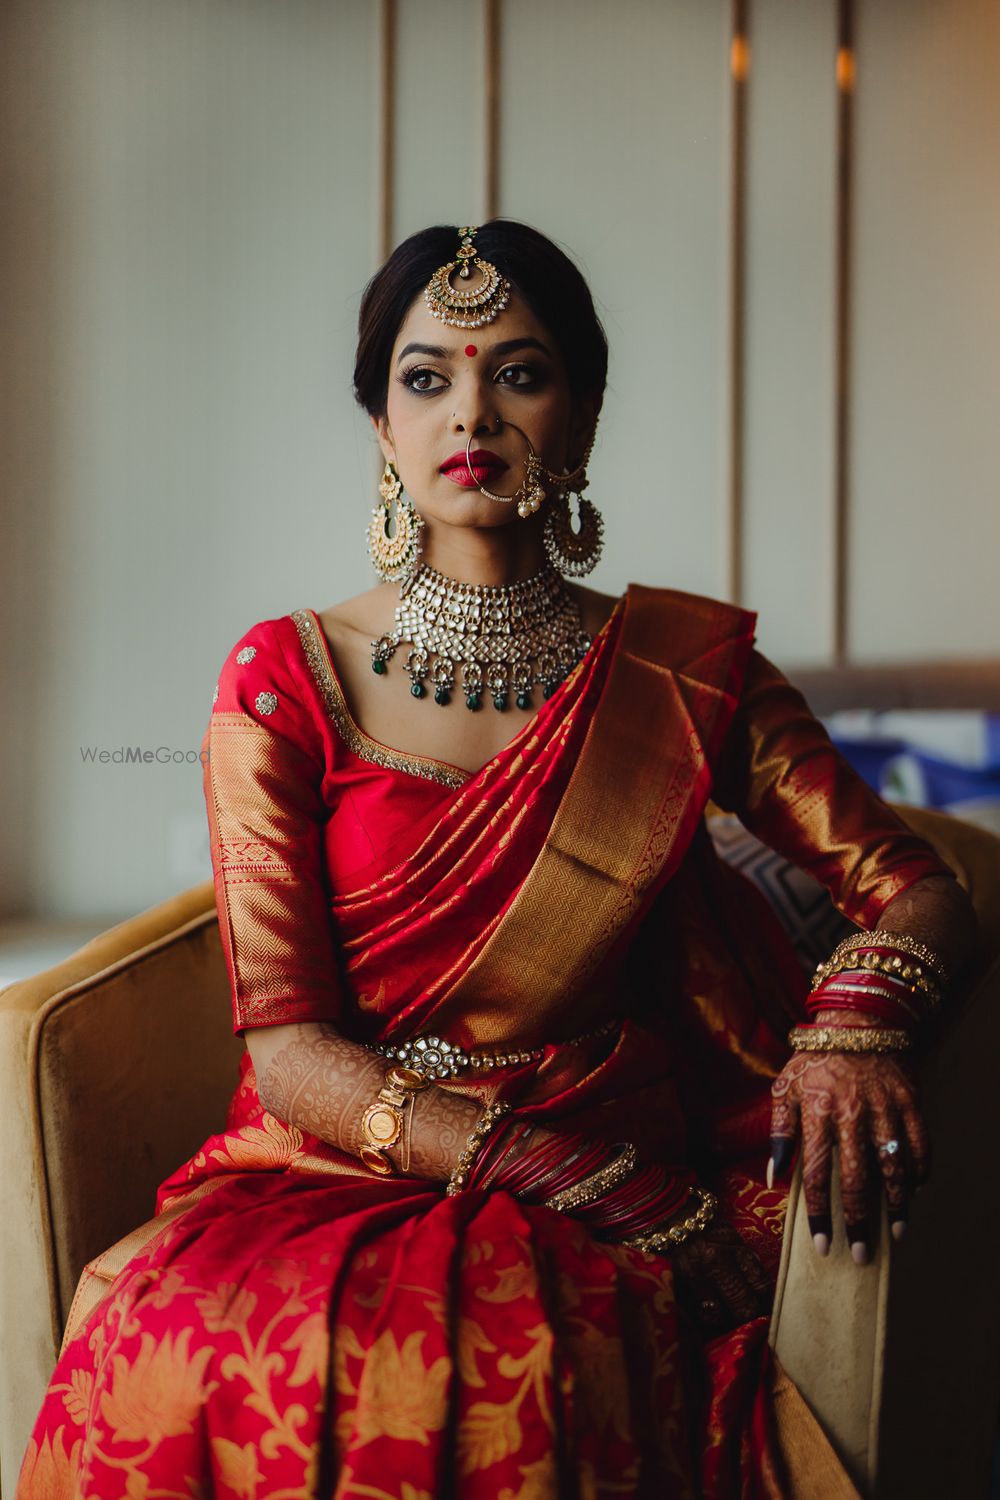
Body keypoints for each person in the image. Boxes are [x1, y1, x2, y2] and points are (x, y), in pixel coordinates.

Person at [18, 221, 978, 1499]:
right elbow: (288, 1050)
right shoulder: (282, 677)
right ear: (380, 427)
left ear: (578, 415)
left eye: (518, 372)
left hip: (616, 1154)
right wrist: (561, 1171)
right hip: (345, 1160)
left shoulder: (683, 674)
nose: (470, 408)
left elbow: (918, 889)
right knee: (186, 1325)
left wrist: (846, 1029)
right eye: (426, 378)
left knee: (488, 1362)